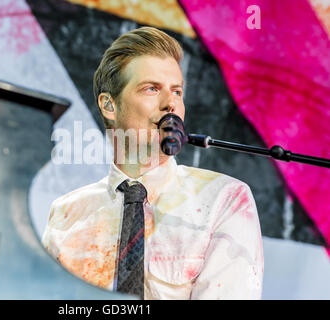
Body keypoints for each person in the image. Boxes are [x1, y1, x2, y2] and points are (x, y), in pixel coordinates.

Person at [42, 26, 264, 300]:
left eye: (177, 91)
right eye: (151, 89)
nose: (170, 103)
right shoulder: (66, 213)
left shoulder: (224, 199)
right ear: (109, 105)